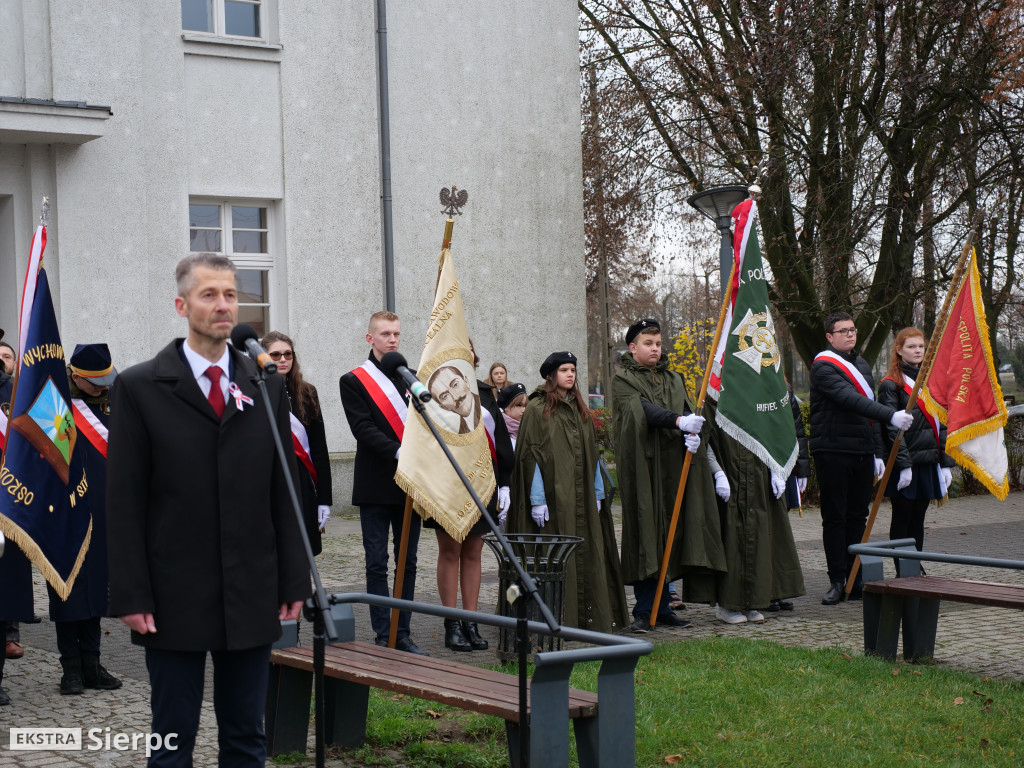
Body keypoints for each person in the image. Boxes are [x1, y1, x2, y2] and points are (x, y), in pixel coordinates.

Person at [107, 252, 309, 767]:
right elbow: (124, 500)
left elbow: (283, 489)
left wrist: (292, 580)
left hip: (249, 588)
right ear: (182, 305)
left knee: (246, 734)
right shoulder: (139, 387)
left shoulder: (265, 383)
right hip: (173, 592)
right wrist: (130, 592)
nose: (224, 306)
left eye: (231, 295)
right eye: (209, 295)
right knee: (172, 735)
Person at [612, 319, 725, 632]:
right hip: (644, 471)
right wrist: (678, 422)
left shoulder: (675, 378)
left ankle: (662, 608)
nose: (655, 349)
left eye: (658, 344)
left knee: (672, 535)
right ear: (633, 347)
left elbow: (688, 409)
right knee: (647, 535)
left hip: (673, 469)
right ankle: (644, 609)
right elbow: (642, 412)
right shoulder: (623, 380)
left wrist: (693, 432)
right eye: (648, 344)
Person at [507, 351, 629, 633]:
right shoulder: (538, 409)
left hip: (583, 499)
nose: (570, 374)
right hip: (554, 501)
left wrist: (598, 494)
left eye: (573, 369)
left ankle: (590, 618)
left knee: (588, 552)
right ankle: (559, 619)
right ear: (551, 375)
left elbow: (592, 457)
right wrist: (537, 500)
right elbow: (531, 457)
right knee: (556, 555)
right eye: (564, 370)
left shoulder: (580, 409)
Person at [809, 312, 914, 605]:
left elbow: (870, 416)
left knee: (858, 516)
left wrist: (878, 452)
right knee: (835, 517)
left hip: (861, 451)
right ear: (830, 337)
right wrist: (891, 414)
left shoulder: (862, 364)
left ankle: (855, 578)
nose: (850, 335)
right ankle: (836, 578)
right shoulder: (823, 366)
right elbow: (851, 400)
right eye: (842, 331)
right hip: (832, 450)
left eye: (853, 330)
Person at [339, 311, 427, 655]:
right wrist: (400, 451)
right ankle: (382, 632)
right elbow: (362, 429)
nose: (392, 340)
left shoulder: (410, 378)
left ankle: (402, 633)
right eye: (386, 334)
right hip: (376, 483)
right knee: (376, 561)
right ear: (370, 338)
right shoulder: (354, 380)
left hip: (409, 483)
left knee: (408, 561)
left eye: (397, 334)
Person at [425, 341, 514, 651]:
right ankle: (451, 623)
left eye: (469, 349)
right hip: (447, 485)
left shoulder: (484, 392)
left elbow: (500, 440)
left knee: (474, 553)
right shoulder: (429, 394)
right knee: (450, 552)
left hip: (481, 483)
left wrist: (505, 484)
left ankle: (471, 621)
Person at [48, 344, 122, 695]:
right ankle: (71, 669)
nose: (103, 387)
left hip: (104, 510)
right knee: (67, 590)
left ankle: (92, 663)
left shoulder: (113, 401)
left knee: (96, 590)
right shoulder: (54, 406)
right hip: (64, 512)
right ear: (75, 376)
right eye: (95, 383)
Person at [704, 397, 806, 624]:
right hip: (730, 477)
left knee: (758, 538)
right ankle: (727, 604)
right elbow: (706, 439)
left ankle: (754, 600)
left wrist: (776, 469)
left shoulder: (759, 398)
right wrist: (717, 473)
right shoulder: (714, 399)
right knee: (732, 539)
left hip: (758, 477)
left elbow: (774, 434)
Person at [878, 327, 954, 559]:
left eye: (921, 346)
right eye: (911, 346)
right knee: (902, 517)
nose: (917, 350)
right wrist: (904, 465)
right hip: (906, 464)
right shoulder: (891, 384)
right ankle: (903, 570)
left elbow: (942, 423)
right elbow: (891, 428)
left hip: (928, 461)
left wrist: (945, 463)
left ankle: (916, 564)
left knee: (919, 518)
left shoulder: (931, 381)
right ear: (899, 351)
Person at [263, 331, 333, 556]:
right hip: (269, 480)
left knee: (302, 551)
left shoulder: (307, 392)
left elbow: (319, 448)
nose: (282, 360)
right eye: (275, 355)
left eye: (287, 354)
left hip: (301, 480)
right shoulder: (255, 391)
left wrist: (324, 499)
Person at [427, 364, 481, 434]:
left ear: (466, 381)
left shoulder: (486, 407)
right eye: (445, 396)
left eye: (455, 385)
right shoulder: (459, 433)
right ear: (443, 407)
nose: (456, 397)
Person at [497, 383, 527, 449]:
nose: (524, 410)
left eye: (526, 405)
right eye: (519, 405)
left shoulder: (529, 428)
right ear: (506, 407)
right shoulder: (497, 429)